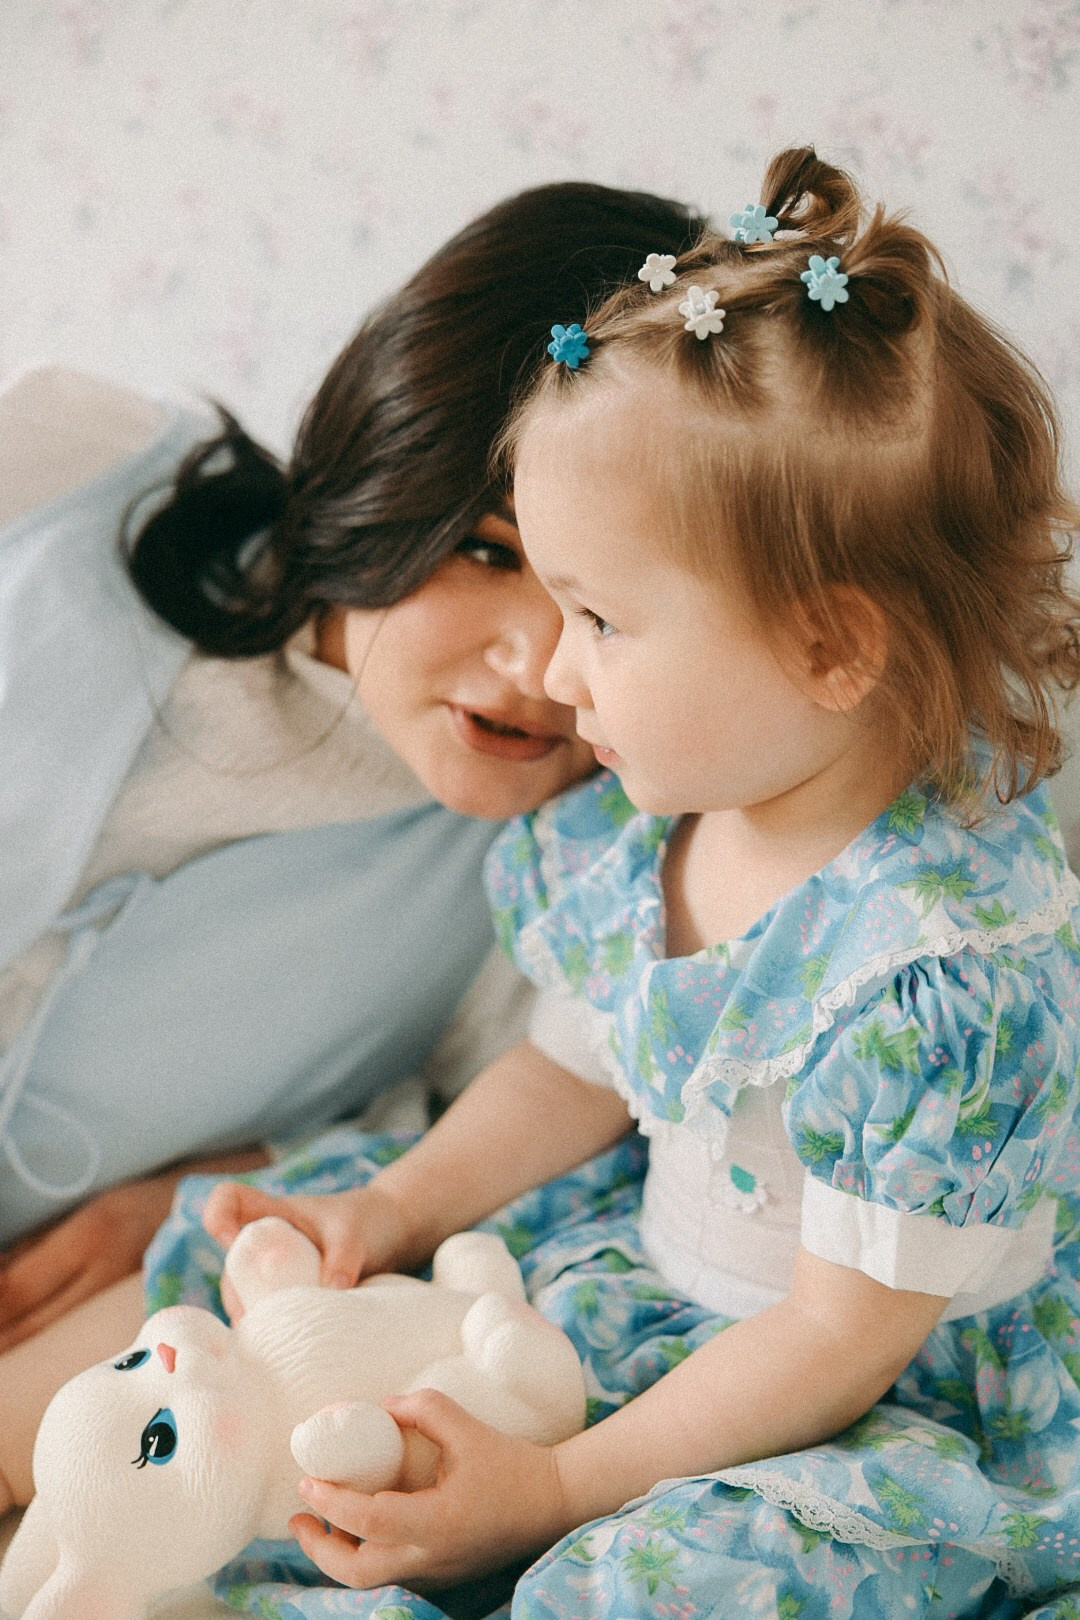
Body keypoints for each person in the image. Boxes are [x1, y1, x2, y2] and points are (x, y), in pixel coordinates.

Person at [144, 146, 1080, 1619]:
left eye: (597, 616)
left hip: (856, 1400)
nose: (555, 669)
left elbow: (837, 1340)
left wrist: (568, 1490)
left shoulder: (938, 972)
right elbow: (570, 1070)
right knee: (308, 1386)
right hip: (656, 1302)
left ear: (829, 649)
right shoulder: (647, 838)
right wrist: (391, 1207)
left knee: (639, 1583)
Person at [0, 173, 705, 1372]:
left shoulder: (568, 873)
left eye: (607, 601)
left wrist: (217, 1188)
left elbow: (473, 1133)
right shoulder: (80, 465)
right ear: (392, 473)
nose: (541, 660)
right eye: (488, 550)